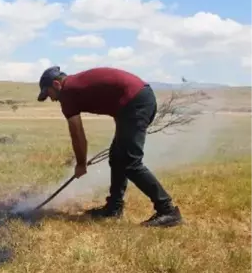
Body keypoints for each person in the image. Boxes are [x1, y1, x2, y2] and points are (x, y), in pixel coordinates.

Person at [37, 66, 183, 227]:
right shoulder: (74, 86)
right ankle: (114, 207)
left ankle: (168, 210)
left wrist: (80, 164)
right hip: (137, 100)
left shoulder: (68, 93)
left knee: (130, 162)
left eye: (48, 93)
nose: (51, 99)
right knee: (117, 156)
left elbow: (78, 135)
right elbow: (115, 97)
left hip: (136, 102)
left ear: (57, 85)